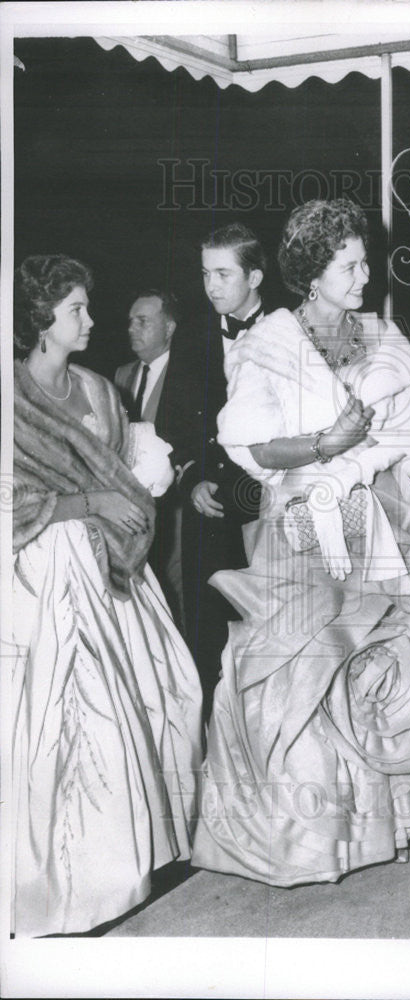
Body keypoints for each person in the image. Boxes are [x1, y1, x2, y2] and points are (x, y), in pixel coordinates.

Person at [191, 199, 410, 886]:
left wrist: (367, 460)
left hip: (386, 511)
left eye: (365, 262)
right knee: (305, 670)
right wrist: (329, 446)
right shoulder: (271, 341)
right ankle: (316, 837)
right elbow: (251, 447)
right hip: (303, 527)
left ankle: (396, 817)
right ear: (312, 274)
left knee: (409, 650)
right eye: (349, 265)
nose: (365, 276)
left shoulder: (382, 334)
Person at [11, 255, 202, 937]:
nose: (92, 321)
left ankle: (136, 861)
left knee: (163, 696)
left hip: (113, 569)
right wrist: (88, 499)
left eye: (88, 307)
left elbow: (126, 475)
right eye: (76, 311)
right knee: (72, 721)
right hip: (44, 575)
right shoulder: (10, 395)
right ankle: (69, 887)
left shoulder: (97, 390)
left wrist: (133, 490)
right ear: (40, 321)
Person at [162, 223, 266, 723]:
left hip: (269, 511)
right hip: (210, 509)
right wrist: (192, 478)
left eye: (223, 274)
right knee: (208, 637)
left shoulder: (288, 328)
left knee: (267, 635)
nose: (211, 286)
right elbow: (173, 424)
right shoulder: (193, 335)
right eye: (205, 274)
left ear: (256, 275)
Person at [115, 289, 183, 625]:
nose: (132, 328)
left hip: (176, 509)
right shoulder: (120, 375)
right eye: (130, 321)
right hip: (130, 511)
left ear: (169, 328)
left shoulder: (187, 374)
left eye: (143, 321)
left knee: (175, 589)